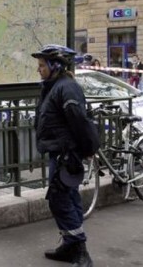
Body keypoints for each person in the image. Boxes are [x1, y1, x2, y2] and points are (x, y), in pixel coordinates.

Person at [32, 44, 99, 267]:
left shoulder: (66, 88)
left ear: (55, 65)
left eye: (42, 65)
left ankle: (79, 249)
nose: (38, 69)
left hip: (66, 153)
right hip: (59, 151)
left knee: (60, 200)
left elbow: (80, 121)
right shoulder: (55, 86)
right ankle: (70, 245)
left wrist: (88, 148)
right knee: (68, 197)